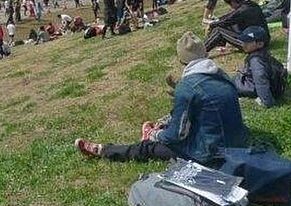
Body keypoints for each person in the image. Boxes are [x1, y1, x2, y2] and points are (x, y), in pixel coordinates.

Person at [75, 32, 247, 165]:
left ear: (182, 59)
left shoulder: (187, 87)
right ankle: (161, 126)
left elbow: (176, 136)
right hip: (239, 143)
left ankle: (104, 150)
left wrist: (156, 134)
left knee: (147, 148)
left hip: (211, 154)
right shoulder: (222, 75)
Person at [204, 0, 269, 52]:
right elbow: (229, 16)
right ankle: (220, 45)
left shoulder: (242, 10)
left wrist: (211, 25)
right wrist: (217, 20)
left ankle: (201, 50)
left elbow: (226, 20)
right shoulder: (250, 4)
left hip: (254, 44)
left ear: (233, 2)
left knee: (218, 31)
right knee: (227, 25)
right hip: (262, 39)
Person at [233, 26, 285, 108]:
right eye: (243, 41)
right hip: (256, 84)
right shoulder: (264, 54)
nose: (244, 44)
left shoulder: (256, 60)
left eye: (248, 42)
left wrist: (267, 101)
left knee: (224, 81)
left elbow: (261, 79)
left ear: (260, 44)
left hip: (250, 88)